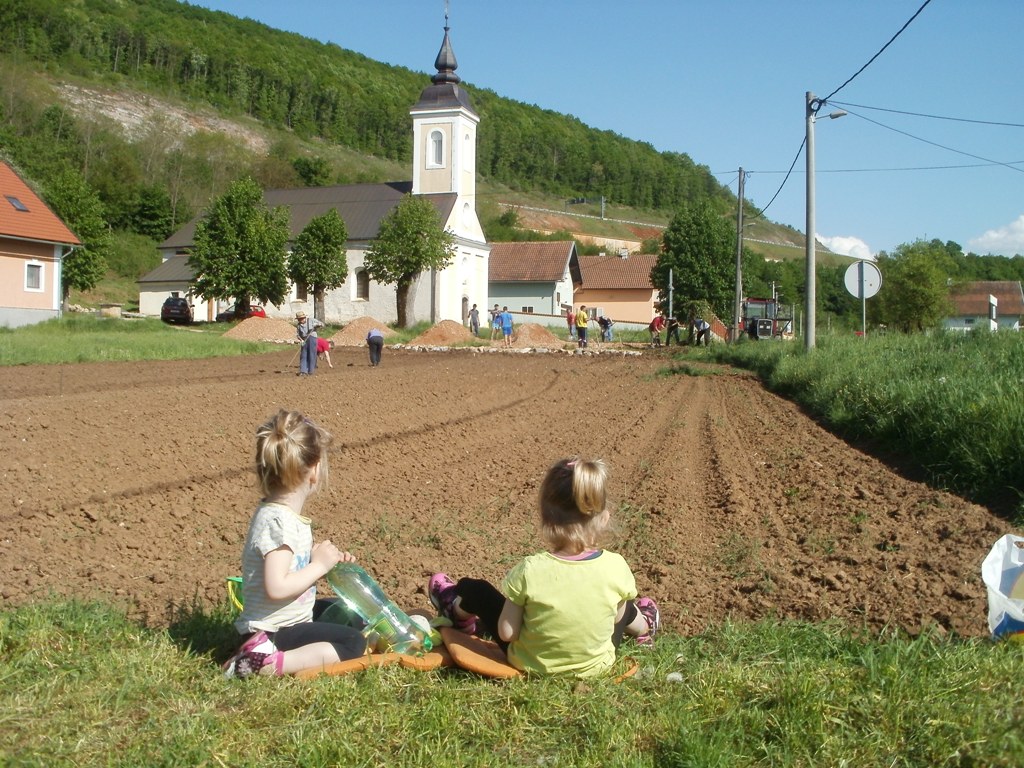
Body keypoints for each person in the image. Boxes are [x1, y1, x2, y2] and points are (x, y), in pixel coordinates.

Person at [428, 458, 660, 678]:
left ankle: (456, 611)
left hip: (533, 664)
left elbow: (507, 633)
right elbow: (615, 618)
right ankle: (644, 627)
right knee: (621, 599)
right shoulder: (615, 566)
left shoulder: (530, 570)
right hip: (596, 666)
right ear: (604, 518)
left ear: (545, 518)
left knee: (476, 590)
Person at [223, 410, 367, 678]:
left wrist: (325, 564)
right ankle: (261, 662)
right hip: (274, 631)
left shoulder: (281, 516)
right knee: (353, 642)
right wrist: (319, 566)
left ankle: (265, 655)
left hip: (289, 620)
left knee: (353, 612)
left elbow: (290, 570)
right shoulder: (279, 523)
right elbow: (277, 587)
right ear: (313, 469)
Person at [296, 311, 323, 376]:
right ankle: (303, 371)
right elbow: (297, 335)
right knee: (303, 355)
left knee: (311, 354)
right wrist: (301, 340)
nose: (300, 320)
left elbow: (322, 324)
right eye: (299, 319)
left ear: (304, 317)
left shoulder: (311, 320)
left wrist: (318, 325)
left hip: (312, 338)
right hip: (304, 340)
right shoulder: (299, 326)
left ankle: (310, 371)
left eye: (301, 319)